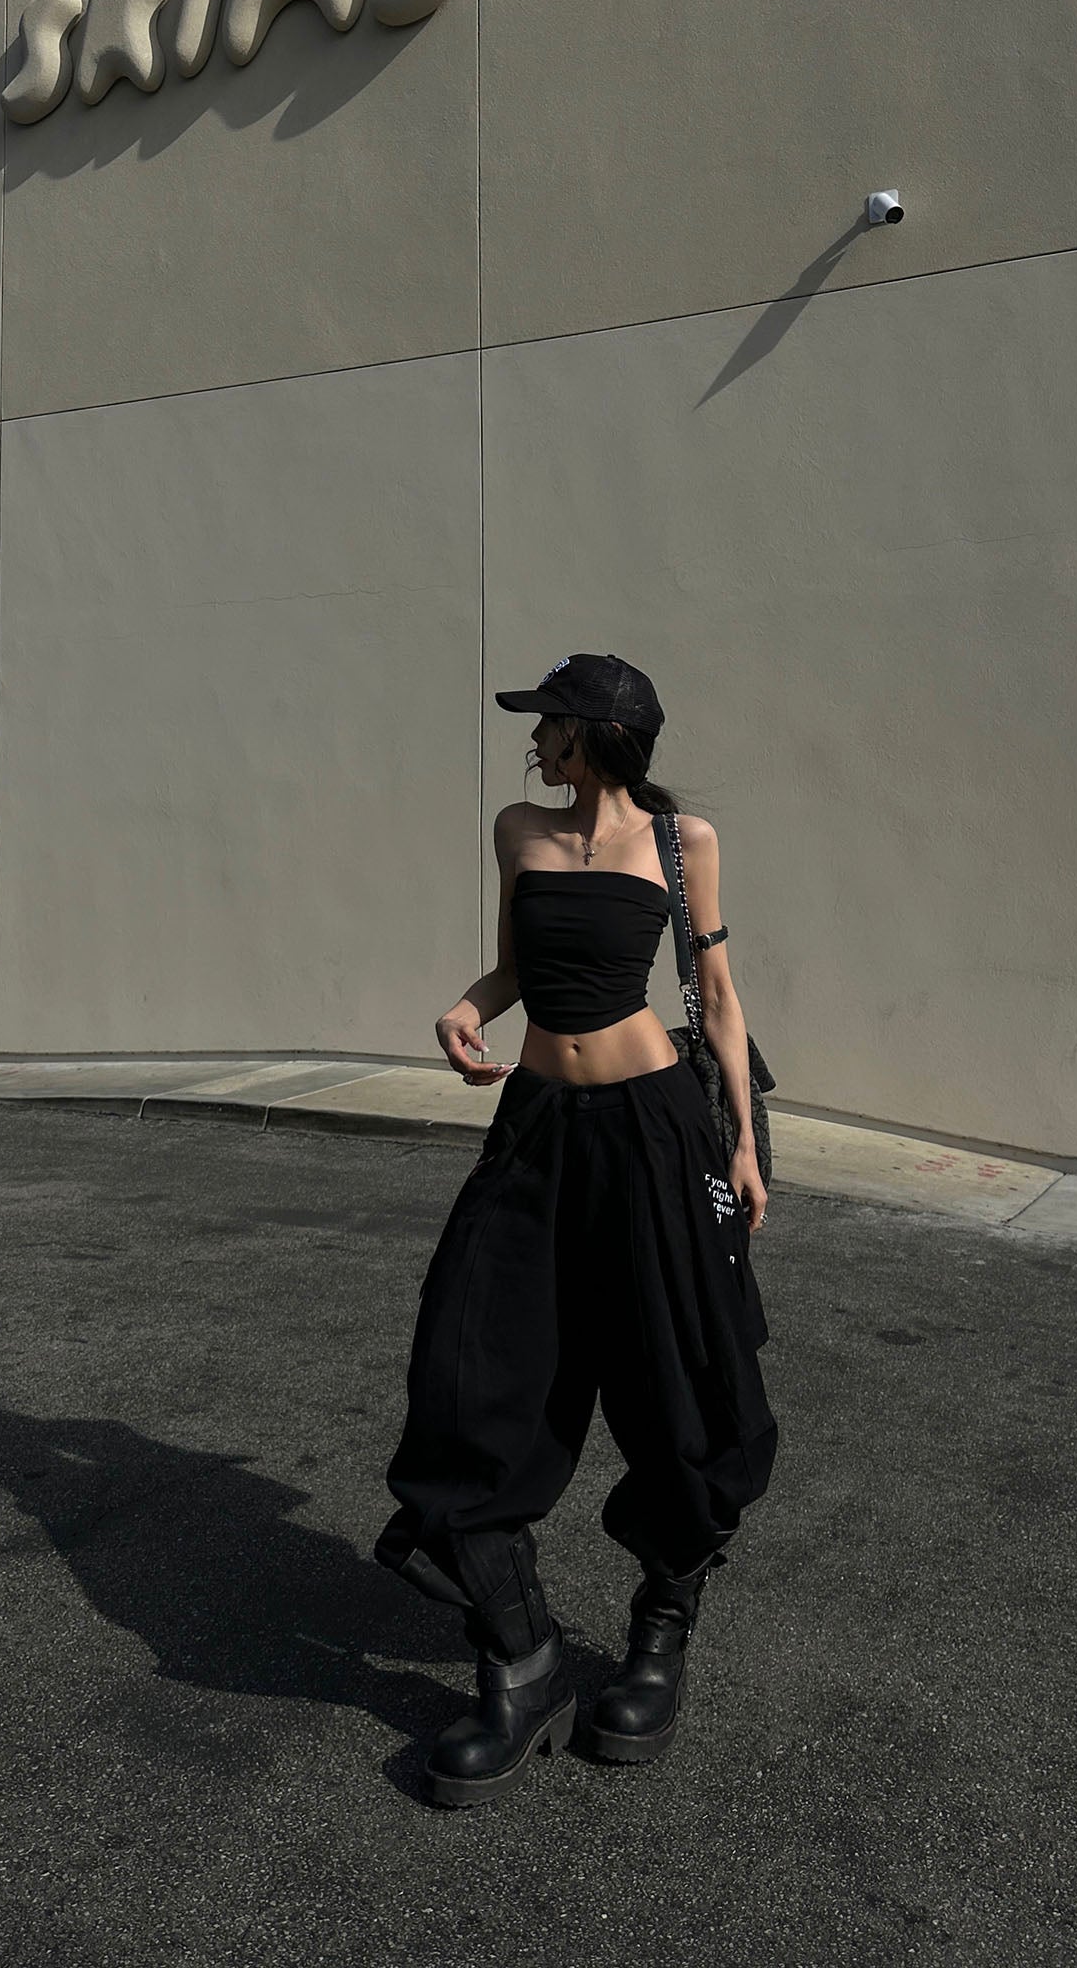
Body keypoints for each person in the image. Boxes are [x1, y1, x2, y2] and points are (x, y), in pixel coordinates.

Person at [373, 652, 778, 1806]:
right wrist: (465, 1006)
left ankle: (659, 1634)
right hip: (540, 1130)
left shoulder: (683, 842)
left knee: (679, 1380)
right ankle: (523, 1658)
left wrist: (743, 1144)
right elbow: (516, 968)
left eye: (548, 724)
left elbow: (720, 1000)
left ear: (594, 736)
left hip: (655, 1131)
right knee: (468, 1368)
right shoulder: (517, 831)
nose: (534, 742)